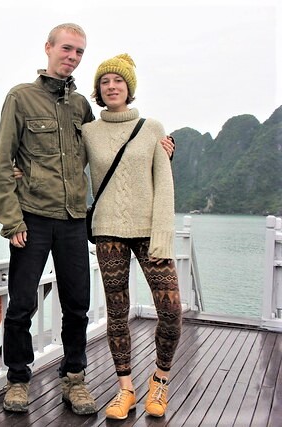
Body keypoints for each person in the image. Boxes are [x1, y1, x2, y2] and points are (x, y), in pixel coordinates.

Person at [0, 22, 98, 415]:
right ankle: (17, 379)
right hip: (32, 220)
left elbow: (101, 152)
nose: (72, 57)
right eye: (66, 49)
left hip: (72, 220)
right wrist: (12, 221)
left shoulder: (81, 105)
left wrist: (158, 147)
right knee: (21, 305)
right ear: (48, 48)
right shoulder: (20, 98)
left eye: (79, 52)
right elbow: (3, 164)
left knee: (78, 305)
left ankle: (75, 379)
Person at [82, 53, 182, 420]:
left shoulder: (152, 128)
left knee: (171, 310)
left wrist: (163, 235)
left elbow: (163, 183)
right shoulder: (88, 132)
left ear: (129, 89)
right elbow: (67, 173)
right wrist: (20, 172)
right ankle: (126, 389)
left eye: (118, 82)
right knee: (117, 314)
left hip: (147, 233)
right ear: (98, 90)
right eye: (105, 82)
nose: (111, 87)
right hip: (108, 232)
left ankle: (160, 381)